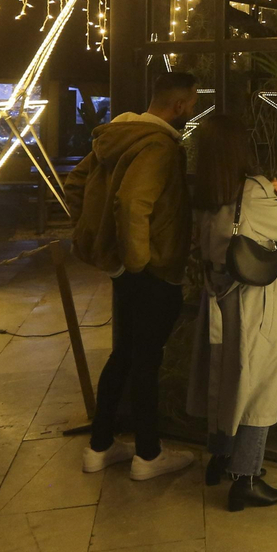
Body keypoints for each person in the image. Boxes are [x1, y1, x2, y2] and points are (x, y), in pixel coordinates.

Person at [67, 71, 199, 480]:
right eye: (191, 104)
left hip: (126, 269)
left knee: (124, 354)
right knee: (146, 360)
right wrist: (138, 260)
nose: (192, 110)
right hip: (152, 270)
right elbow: (131, 202)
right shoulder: (159, 146)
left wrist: (105, 244)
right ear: (178, 106)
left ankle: (100, 446)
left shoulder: (117, 137)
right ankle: (148, 454)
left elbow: (75, 185)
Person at [186, 113, 277, 510]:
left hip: (216, 293)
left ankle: (220, 457)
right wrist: (275, 196)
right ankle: (247, 477)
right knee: (258, 381)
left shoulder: (203, 190)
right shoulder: (252, 190)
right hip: (253, 300)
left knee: (224, 375)